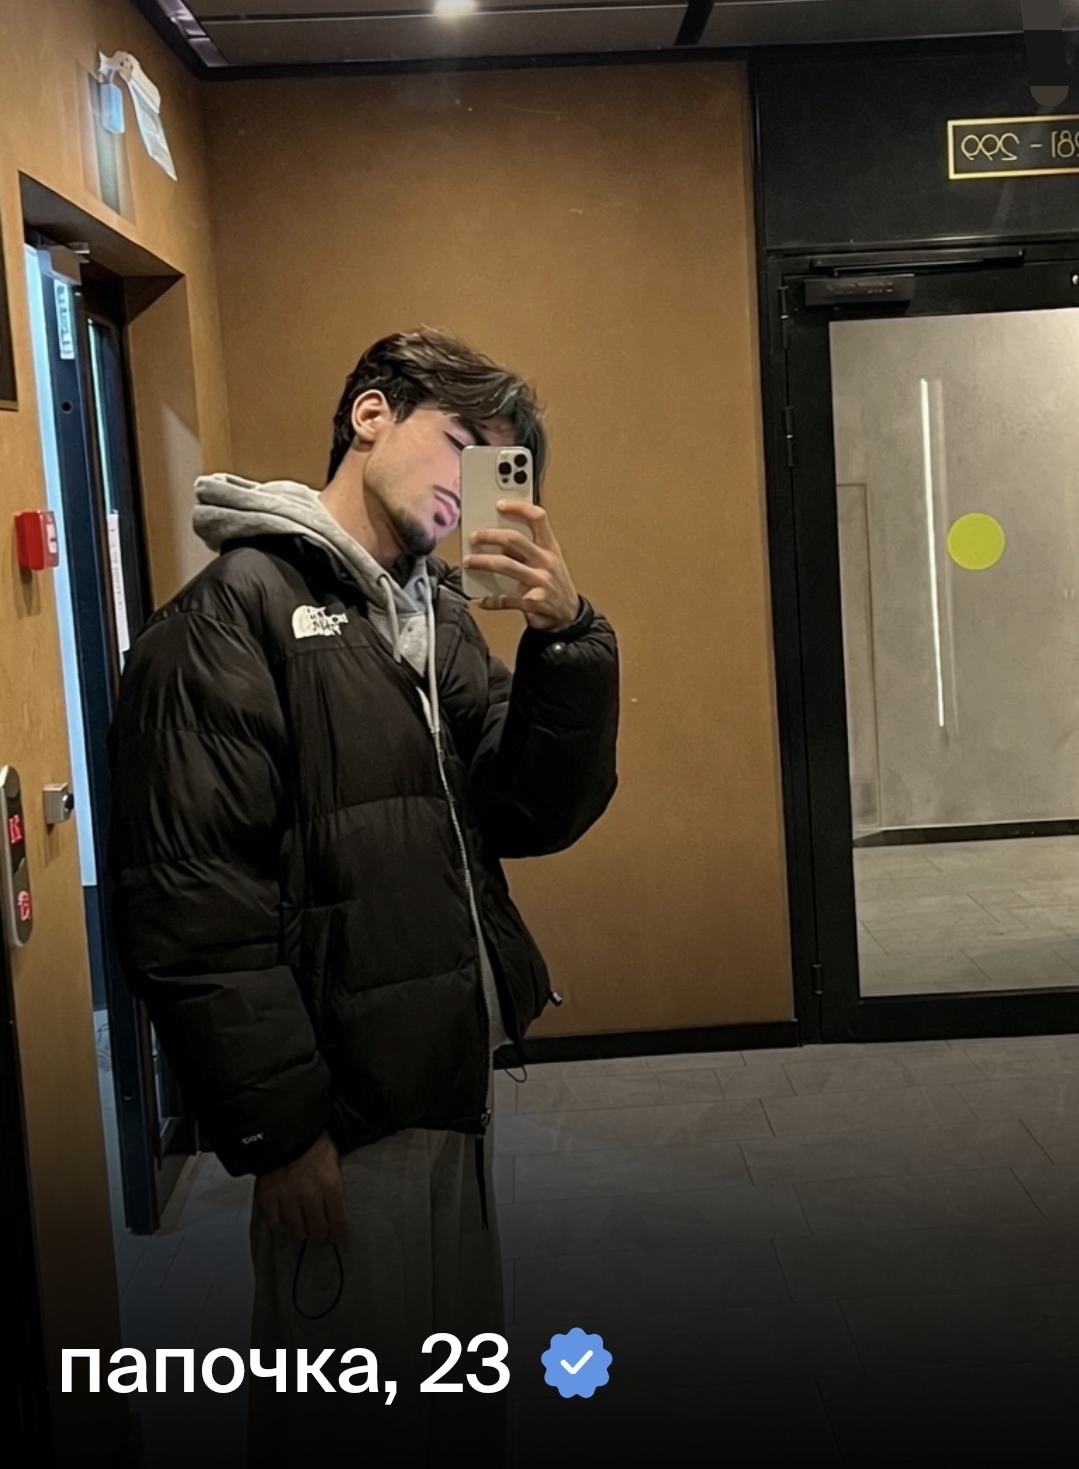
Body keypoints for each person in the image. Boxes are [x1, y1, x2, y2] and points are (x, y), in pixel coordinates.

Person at [107, 327, 619, 1465]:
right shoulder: (229, 618)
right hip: (336, 1119)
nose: (467, 478)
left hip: (444, 1083)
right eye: (458, 439)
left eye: (494, 461)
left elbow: (528, 812)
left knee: (451, 1408)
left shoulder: (434, 613)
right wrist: (280, 1131)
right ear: (370, 415)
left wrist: (566, 640)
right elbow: (195, 909)